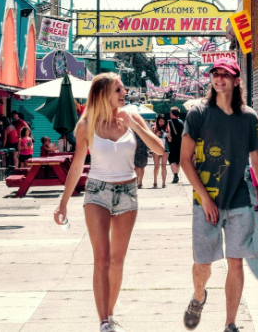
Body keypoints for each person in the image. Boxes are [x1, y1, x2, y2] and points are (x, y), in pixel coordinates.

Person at [53, 73, 167, 332]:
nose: (124, 92)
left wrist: (134, 126)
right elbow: (78, 164)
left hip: (128, 192)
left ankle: (110, 314)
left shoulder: (132, 118)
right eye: (118, 89)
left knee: (117, 260)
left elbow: (159, 149)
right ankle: (104, 322)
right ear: (104, 93)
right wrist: (63, 203)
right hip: (97, 192)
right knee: (102, 259)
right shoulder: (86, 125)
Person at [180, 58, 258, 332]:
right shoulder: (198, 114)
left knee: (236, 262)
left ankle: (230, 323)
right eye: (215, 74)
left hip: (239, 201)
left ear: (236, 80)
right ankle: (199, 296)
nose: (219, 78)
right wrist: (206, 199)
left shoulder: (248, 117)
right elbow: (185, 160)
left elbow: (256, 160)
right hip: (205, 202)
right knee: (203, 264)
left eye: (226, 74)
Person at [152, 115, 171, 188]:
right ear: (157, 121)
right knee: (156, 166)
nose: (161, 123)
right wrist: (155, 135)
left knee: (164, 165)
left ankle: (163, 183)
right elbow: (151, 138)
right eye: (160, 121)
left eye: (163, 121)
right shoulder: (154, 127)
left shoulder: (167, 128)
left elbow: (170, 139)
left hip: (165, 148)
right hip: (156, 147)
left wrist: (168, 136)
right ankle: (155, 182)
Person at [167, 107, 185, 183]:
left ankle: (175, 175)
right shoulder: (181, 122)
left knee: (172, 160)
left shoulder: (168, 122)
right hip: (181, 143)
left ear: (171, 113)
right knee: (178, 160)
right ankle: (176, 174)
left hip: (171, 143)